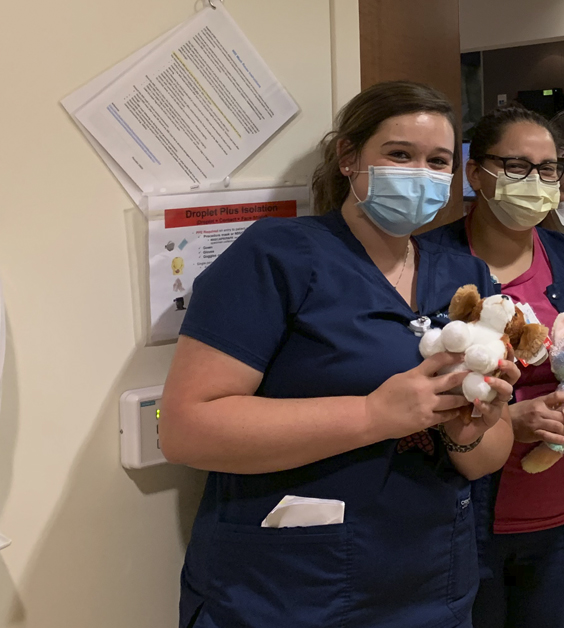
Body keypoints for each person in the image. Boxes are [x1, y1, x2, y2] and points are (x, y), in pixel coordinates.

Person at [160, 81, 518, 628]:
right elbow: (186, 428)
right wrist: (373, 415)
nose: (420, 172)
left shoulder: (464, 277)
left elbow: (483, 457)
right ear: (349, 157)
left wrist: (472, 423)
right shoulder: (278, 256)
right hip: (286, 591)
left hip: (432, 581)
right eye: (399, 154)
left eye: (438, 161)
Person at [422, 106, 564, 628]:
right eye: (516, 167)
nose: (535, 182)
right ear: (476, 173)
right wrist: (510, 421)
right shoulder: (428, 264)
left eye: (546, 170)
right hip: (460, 525)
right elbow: (409, 395)